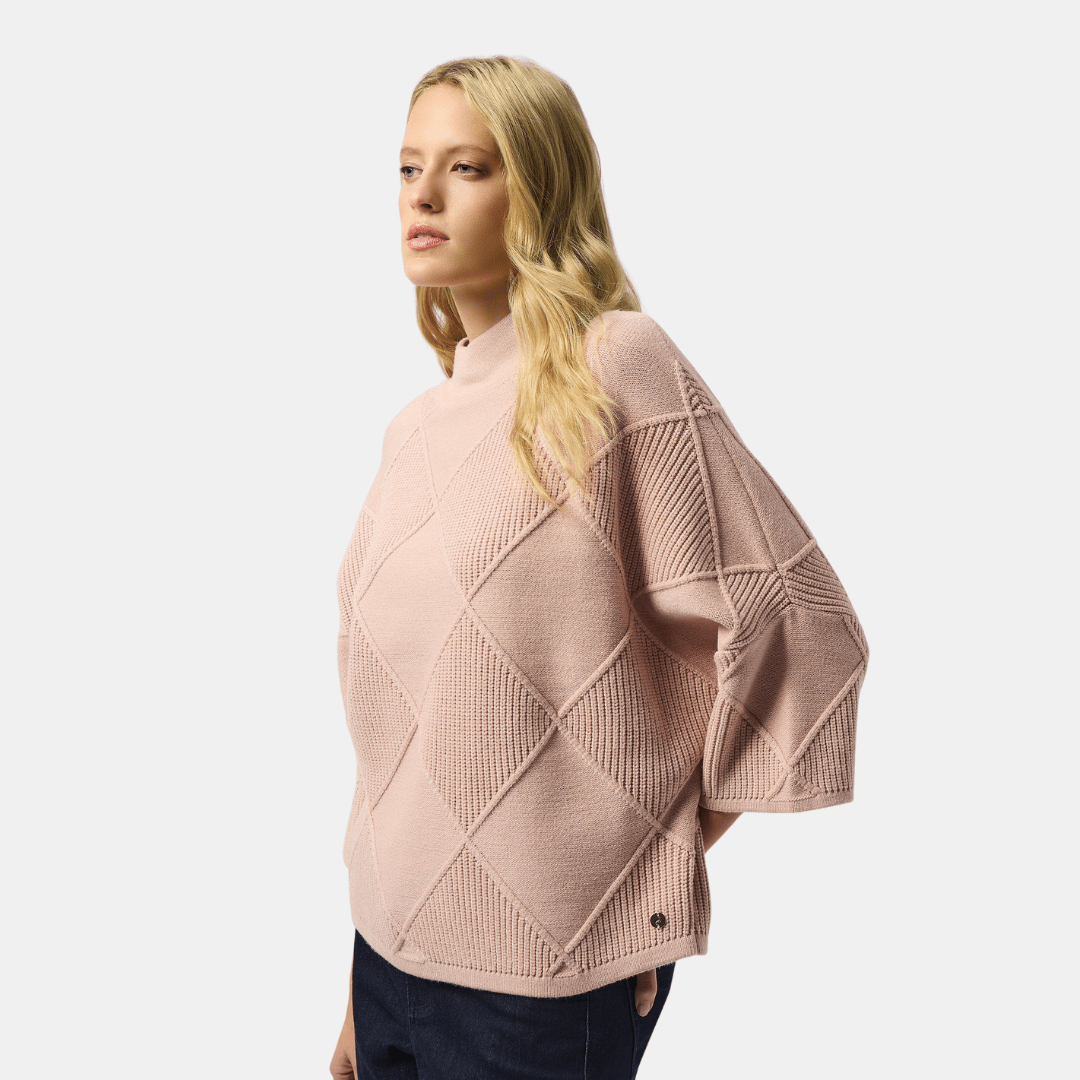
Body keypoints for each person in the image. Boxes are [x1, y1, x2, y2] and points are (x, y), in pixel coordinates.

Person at [329, 55, 869, 1080]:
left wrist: (648, 871)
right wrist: (363, 982)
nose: (423, 196)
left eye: (467, 167)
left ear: (538, 189)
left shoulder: (615, 363)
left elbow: (798, 616)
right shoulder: (414, 428)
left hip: (542, 990)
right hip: (388, 961)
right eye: (407, 168)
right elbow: (407, 736)